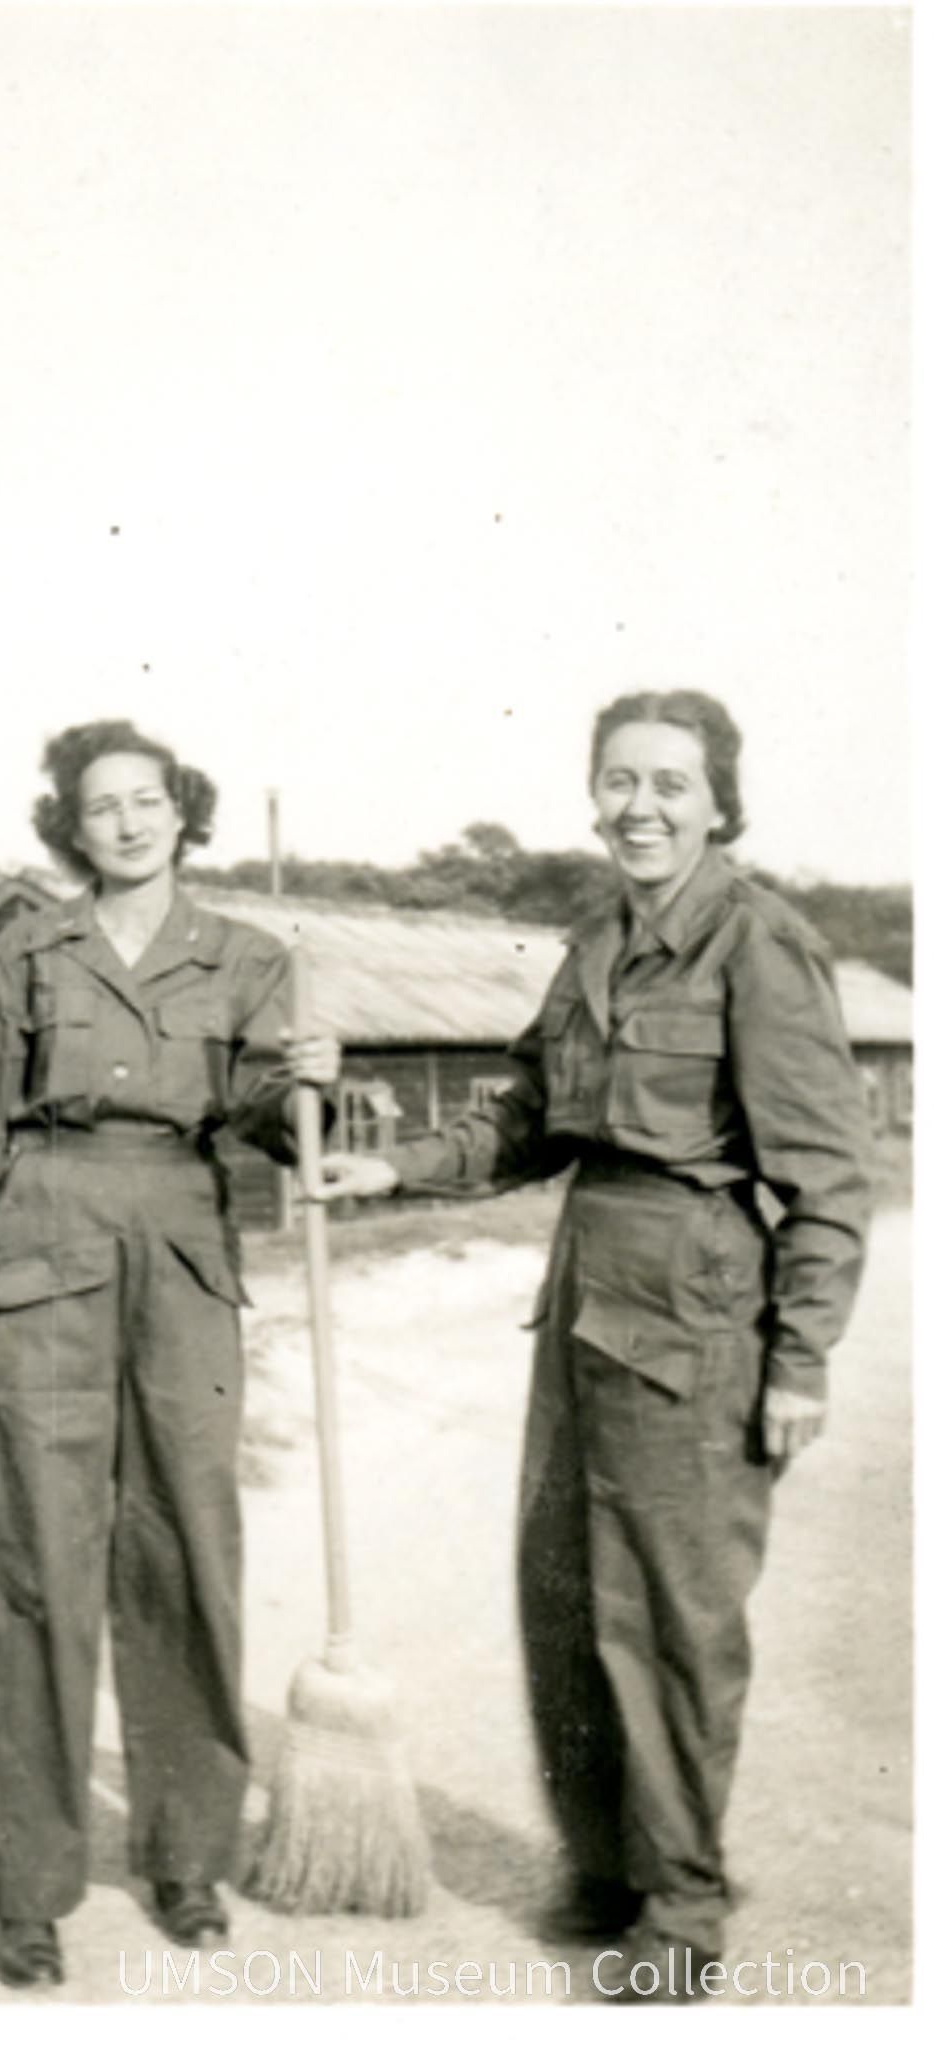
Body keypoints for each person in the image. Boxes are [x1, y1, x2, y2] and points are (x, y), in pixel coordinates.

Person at [316, 690, 871, 1999]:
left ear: (718, 801)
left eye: (669, 783)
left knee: (667, 1617)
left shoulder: (758, 942)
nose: (640, 806)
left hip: (695, 1299)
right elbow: (525, 1118)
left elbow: (828, 1176)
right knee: (563, 1595)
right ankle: (607, 1865)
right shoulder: (594, 943)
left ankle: (681, 1913)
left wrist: (799, 1358)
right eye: (619, 780)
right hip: (584, 1289)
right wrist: (386, 1168)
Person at [0, 718, 338, 1990]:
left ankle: (186, 1856)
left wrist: (311, 1080)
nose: (129, 820)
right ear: (72, 827)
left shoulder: (250, 955)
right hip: (45, 1234)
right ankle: (31, 1888)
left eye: (148, 798)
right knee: (36, 1556)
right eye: (101, 805)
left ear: (182, 811)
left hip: (185, 1244)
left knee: (186, 1545)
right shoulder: (27, 949)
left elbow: (271, 1120)